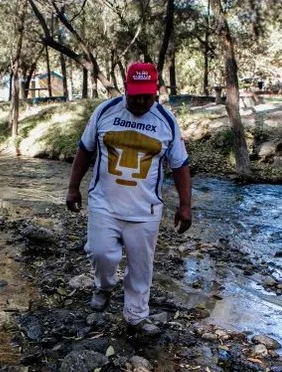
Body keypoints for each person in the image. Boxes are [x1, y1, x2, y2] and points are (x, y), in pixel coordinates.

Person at [66, 62, 192, 336]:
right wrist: (73, 188)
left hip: (145, 210)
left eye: (148, 95)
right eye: (136, 95)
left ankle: (136, 315)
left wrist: (185, 206)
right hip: (104, 204)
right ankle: (104, 286)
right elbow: (85, 150)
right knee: (100, 252)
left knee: (140, 267)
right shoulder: (105, 111)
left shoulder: (166, 121)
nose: (141, 101)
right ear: (126, 88)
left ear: (156, 91)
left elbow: (180, 165)